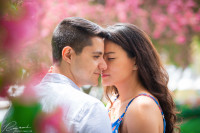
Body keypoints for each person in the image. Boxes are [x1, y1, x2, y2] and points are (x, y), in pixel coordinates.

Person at [1, 17, 112, 133]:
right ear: (68, 55)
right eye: (96, 56)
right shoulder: (90, 108)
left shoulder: (20, 105)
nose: (103, 65)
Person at [102, 23, 179, 133]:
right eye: (99, 57)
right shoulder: (114, 102)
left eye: (110, 58)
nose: (102, 65)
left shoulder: (141, 107)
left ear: (136, 61)